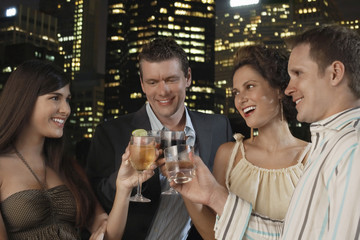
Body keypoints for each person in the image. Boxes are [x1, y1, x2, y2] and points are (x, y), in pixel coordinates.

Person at [173, 25, 360, 239]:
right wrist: (212, 195)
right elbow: (290, 235)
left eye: (299, 74)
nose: (290, 88)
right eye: (235, 92)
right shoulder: (328, 148)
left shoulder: (352, 149)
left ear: (335, 73)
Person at [86, 37, 233, 240]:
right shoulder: (110, 132)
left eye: (171, 79)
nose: (163, 91)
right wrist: (129, 176)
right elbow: (94, 198)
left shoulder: (218, 126)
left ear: (188, 77)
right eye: (152, 82)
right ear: (142, 85)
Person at [0, 59, 157, 240]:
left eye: (67, 99)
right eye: (55, 98)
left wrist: (123, 187)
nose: (66, 109)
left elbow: (107, 233)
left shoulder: (67, 166)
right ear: (25, 99)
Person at [176, 45, 310, 239]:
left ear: (279, 89)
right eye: (236, 92)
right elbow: (213, 234)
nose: (241, 99)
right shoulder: (229, 154)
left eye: (249, 86)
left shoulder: (312, 157)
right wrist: (187, 189)